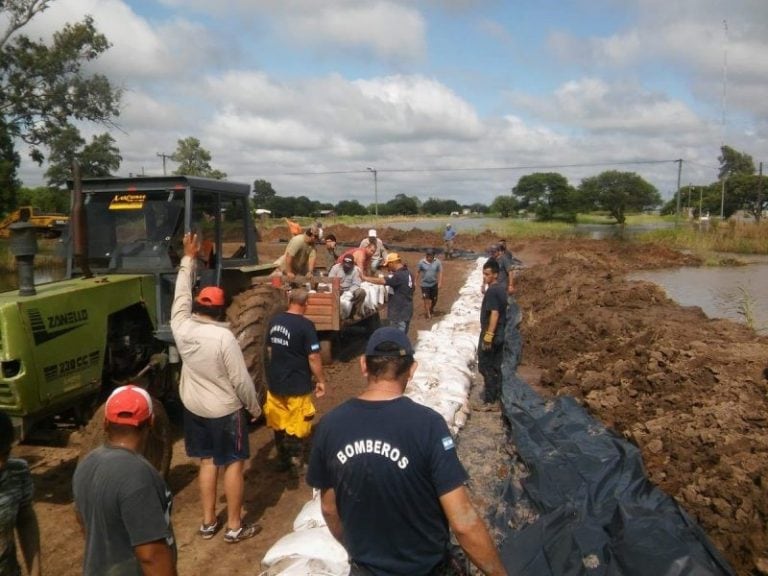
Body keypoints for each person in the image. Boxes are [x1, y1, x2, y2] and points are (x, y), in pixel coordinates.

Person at [307, 328, 508, 576]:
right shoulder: (428, 425)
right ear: (412, 369)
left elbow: (328, 508)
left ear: (363, 365)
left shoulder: (330, 425)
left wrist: (358, 550)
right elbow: (463, 522)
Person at [171, 232, 261, 543]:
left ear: (197, 305)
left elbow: (180, 294)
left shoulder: (180, 327)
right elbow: (240, 380)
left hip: (194, 409)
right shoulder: (224, 338)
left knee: (207, 462)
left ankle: (208, 522)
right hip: (225, 411)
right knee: (234, 465)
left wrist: (188, 258)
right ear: (222, 311)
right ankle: (235, 526)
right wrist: (254, 407)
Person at [73, 385, 176, 576]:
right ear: (151, 422)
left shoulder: (86, 464)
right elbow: (151, 555)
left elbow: (83, 522)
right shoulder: (138, 474)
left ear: (105, 423)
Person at [265, 288, 327, 472]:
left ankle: (281, 458)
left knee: (278, 419)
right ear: (306, 303)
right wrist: (321, 380)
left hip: (276, 381)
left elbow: (269, 350)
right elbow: (314, 357)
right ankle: (294, 461)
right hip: (297, 382)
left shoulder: (274, 321)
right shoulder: (305, 326)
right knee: (297, 421)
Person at [0, 412, 41, 576]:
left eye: (5, 453)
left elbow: (25, 519)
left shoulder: (17, 471)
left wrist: (35, 570)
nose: (1, 464)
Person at [475, 259, 507, 412]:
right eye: (484, 274)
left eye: (487, 274)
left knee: (485, 365)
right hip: (499, 333)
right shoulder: (500, 289)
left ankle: (490, 400)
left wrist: (488, 336)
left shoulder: (493, 291)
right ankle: (498, 397)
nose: (485, 276)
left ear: (495, 275)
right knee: (495, 366)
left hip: (492, 334)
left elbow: (494, 314)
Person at [362, 252, 414, 333]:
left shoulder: (398, 275)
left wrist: (365, 278)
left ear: (393, 263)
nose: (387, 268)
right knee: (403, 336)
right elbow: (413, 288)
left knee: (396, 337)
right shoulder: (408, 273)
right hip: (407, 309)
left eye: (388, 265)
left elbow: (382, 281)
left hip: (399, 312)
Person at [328, 254, 367, 320]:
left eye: (349, 266)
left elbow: (356, 284)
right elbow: (329, 281)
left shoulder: (356, 270)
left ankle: (356, 313)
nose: (347, 267)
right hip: (337, 289)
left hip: (350, 290)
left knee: (361, 292)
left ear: (352, 264)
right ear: (342, 263)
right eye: (345, 265)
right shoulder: (335, 268)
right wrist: (336, 289)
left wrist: (349, 292)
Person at [416, 248, 442, 319]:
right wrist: (415, 281)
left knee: (434, 299)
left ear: (433, 256)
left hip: (434, 284)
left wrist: (439, 282)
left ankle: (431, 308)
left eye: (430, 256)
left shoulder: (437, 262)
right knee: (426, 299)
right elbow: (418, 272)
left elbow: (440, 272)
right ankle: (428, 314)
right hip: (424, 285)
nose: (429, 257)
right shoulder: (421, 262)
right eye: (428, 255)